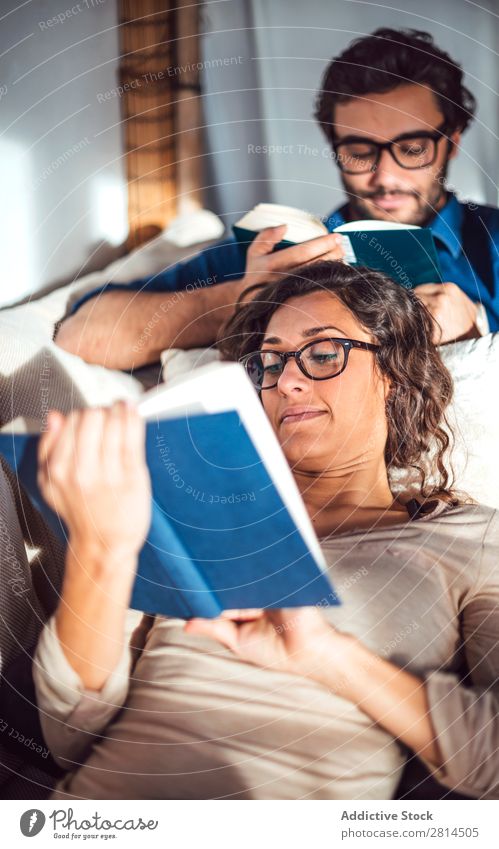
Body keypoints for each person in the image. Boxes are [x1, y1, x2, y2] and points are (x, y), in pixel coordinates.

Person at [33, 262, 499, 800]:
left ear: (392, 374)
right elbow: (70, 730)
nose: (287, 381)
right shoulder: (192, 514)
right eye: (271, 362)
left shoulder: (472, 539)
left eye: (324, 353)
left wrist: (327, 656)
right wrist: (101, 553)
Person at [55, 28, 499, 370]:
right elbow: (83, 335)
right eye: (359, 152)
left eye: (412, 149)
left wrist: (478, 327)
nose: (384, 176)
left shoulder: (491, 242)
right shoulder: (279, 248)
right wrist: (242, 301)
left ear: (452, 141)